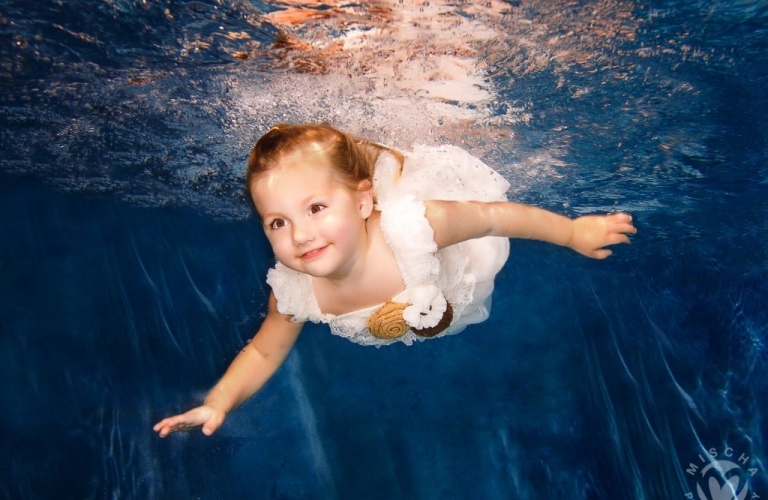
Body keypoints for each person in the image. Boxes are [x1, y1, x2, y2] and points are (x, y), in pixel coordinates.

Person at [154, 123, 636, 437]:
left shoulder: (411, 227)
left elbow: (492, 218)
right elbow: (264, 350)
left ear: (363, 202)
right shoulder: (297, 289)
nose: (300, 235)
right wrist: (218, 401)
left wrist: (572, 231)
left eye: (317, 208)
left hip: (458, 267)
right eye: (277, 222)